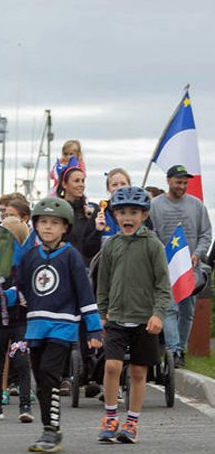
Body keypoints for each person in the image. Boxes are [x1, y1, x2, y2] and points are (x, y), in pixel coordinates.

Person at [16, 197, 103, 453]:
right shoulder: (30, 257)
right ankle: (49, 429)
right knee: (41, 381)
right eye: (43, 222)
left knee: (50, 375)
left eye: (55, 223)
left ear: (65, 227)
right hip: (35, 327)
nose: (48, 227)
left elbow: (85, 294)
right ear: (35, 225)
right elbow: (21, 291)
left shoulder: (72, 257)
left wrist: (95, 329)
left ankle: (51, 430)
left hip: (63, 327)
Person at [95, 186, 172, 444]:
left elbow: (163, 286)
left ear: (144, 215)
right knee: (112, 365)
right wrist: (102, 313)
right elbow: (102, 284)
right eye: (122, 212)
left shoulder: (154, 246)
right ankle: (109, 418)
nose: (128, 217)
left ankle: (132, 422)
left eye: (134, 212)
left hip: (144, 319)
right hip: (116, 316)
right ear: (115, 215)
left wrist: (159, 314)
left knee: (139, 372)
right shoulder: (111, 246)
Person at [148, 165, 212, 368]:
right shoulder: (155, 206)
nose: (182, 186)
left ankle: (180, 349)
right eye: (178, 182)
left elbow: (206, 234)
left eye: (185, 183)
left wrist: (197, 254)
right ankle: (173, 350)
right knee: (169, 308)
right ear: (168, 181)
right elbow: (152, 234)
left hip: (190, 267)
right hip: (165, 267)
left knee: (187, 310)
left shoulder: (197, 205)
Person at [0, 252, 33, 424]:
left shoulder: (21, 270)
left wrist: (2, 296)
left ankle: (25, 406)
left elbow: (26, 294)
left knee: (21, 361)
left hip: (19, 324)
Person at [56, 165, 102, 261]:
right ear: (64, 184)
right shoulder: (57, 210)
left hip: (86, 267)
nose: (81, 185)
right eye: (76, 181)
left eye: (83, 181)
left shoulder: (93, 210)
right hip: (63, 264)